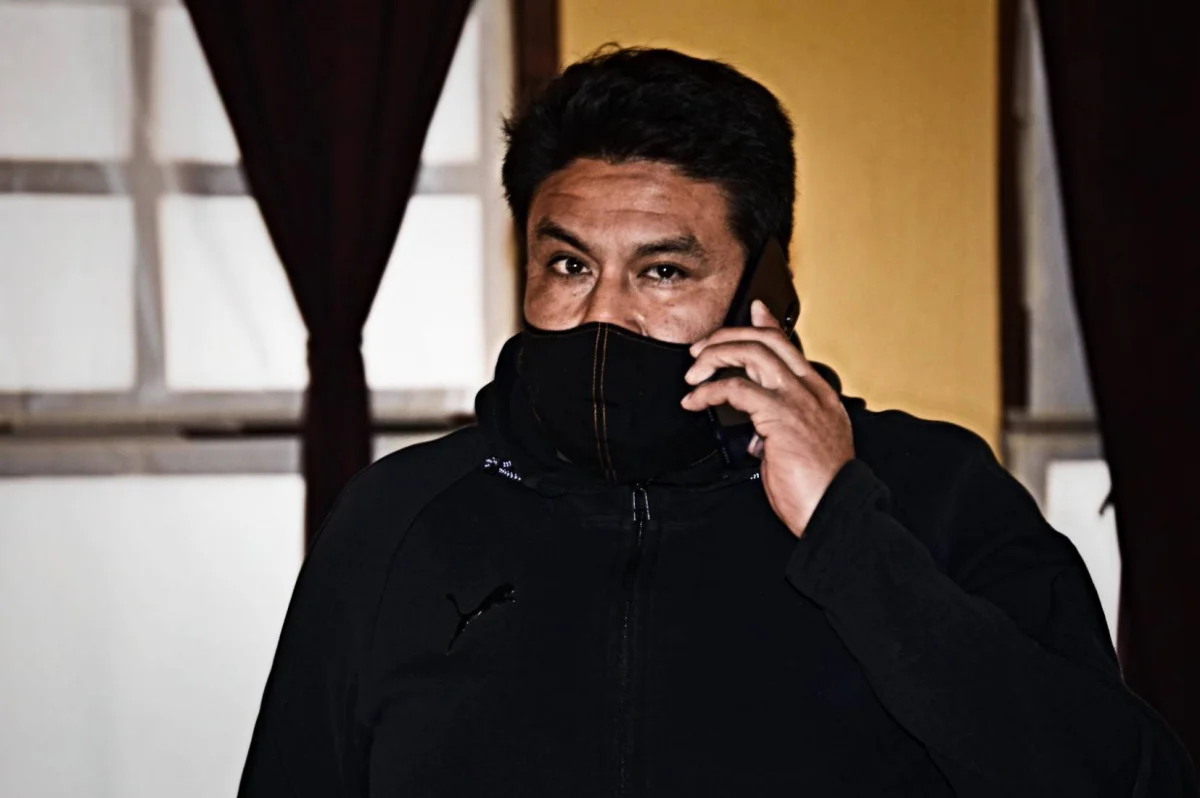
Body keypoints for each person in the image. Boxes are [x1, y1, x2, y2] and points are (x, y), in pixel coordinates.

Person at [238, 47, 1197, 797]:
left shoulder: (936, 493)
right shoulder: (399, 516)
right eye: (568, 266)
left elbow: (1121, 783)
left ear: (764, 289)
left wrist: (846, 531)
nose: (605, 316)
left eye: (663, 272)